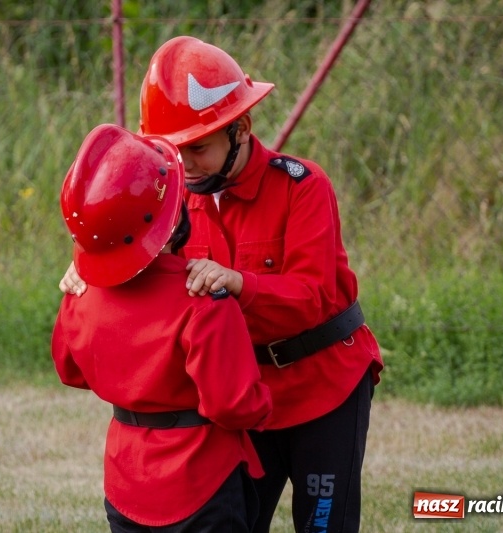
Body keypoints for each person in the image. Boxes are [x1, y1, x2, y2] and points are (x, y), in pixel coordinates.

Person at [60, 36, 384, 533]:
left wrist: (241, 284)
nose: (186, 166)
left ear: (242, 129)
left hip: (324, 386)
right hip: (239, 399)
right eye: (173, 151)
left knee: (324, 525)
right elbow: (144, 289)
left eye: (199, 148)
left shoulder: (303, 186)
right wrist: (90, 274)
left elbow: (314, 298)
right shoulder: (169, 204)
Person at [51, 123, 272, 532]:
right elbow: (233, 405)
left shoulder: (81, 293)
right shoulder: (203, 301)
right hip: (201, 480)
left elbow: (70, 370)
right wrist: (265, 401)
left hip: (125, 477)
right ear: (172, 218)